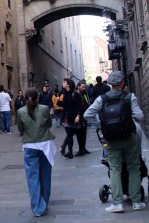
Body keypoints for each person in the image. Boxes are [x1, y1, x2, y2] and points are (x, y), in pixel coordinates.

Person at [84, 70, 145, 213]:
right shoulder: (130, 97)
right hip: (129, 137)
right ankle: (136, 202)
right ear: (122, 83)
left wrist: (101, 125)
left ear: (111, 84)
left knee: (115, 169)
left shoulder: (102, 99)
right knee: (134, 167)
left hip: (111, 139)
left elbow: (88, 115)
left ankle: (117, 203)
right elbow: (140, 116)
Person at [17, 88, 56, 217]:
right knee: (45, 175)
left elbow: (21, 129)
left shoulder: (20, 112)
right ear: (37, 97)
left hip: (29, 145)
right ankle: (44, 203)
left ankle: (37, 207)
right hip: (45, 144)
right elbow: (49, 124)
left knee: (32, 178)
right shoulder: (44, 109)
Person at [57, 77, 84, 158]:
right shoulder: (66, 94)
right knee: (69, 135)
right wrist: (58, 101)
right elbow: (64, 105)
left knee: (78, 135)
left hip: (75, 118)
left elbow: (79, 106)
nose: (63, 83)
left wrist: (78, 116)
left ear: (68, 84)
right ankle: (70, 151)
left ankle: (80, 150)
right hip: (68, 117)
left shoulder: (75, 94)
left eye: (64, 82)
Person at [74, 80, 91, 156]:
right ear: (78, 86)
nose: (84, 88)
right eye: (83, 87)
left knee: (84, 133)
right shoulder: (75, 94)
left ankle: (83, 148)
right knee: (79, 134)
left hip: (84, 116)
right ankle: (80, 149)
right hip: (78, 116)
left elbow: (87, 103)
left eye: (85, 87)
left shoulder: (84, 94)